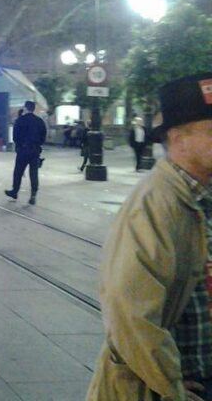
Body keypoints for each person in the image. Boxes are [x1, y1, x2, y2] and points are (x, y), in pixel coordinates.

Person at [86, 73, 212, 401]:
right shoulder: (154, 205)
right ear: (178, 139)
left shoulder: (202, 197)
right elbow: (130, 314)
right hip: (166, 386)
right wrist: (171, 386)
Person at [5, 100, 46, 205]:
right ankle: (33, 194)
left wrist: (18, 146)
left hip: (23, 150)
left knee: (18, 171)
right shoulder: (39, 121)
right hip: (35, 150)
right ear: (33, 109)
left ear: (26, 108)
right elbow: (43, 136)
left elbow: (15, 136)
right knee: (33, 173)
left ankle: (15, 191)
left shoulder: (20, 120)